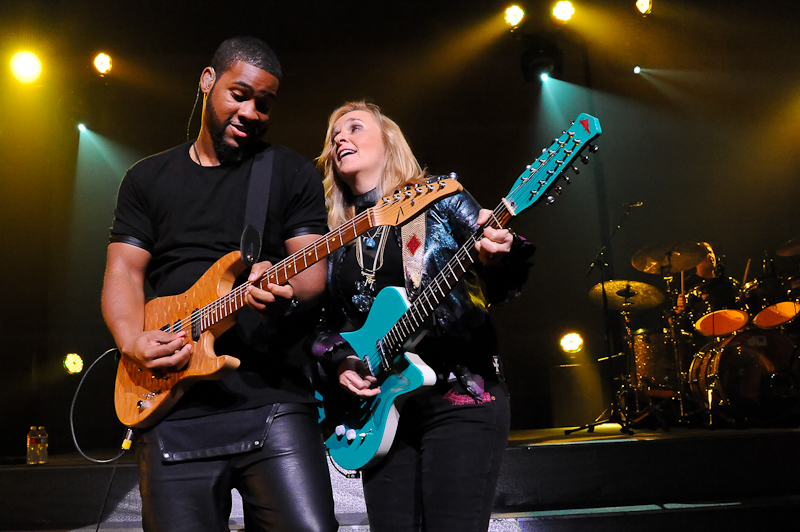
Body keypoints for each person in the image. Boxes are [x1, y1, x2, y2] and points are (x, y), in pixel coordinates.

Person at [101, 37, 338, 532]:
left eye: (264, 104)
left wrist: (286, 292)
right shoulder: (147, 178)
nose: (251, 111)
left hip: (272, 399)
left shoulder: (291, 172)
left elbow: (312, 270)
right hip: (171, 403)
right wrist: (131, 341)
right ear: (208, 82)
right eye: (240, 94)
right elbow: (124, 270)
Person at [309, 101, 534, 532]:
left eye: (355, 127)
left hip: (460, 394)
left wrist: (496, 253)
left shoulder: (438, 197)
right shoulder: (330, 236)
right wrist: (341, 361)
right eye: (333, 135)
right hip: (379, 410)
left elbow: (502, 280)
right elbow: (316, 324)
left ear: (388, 140)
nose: (341, 138)